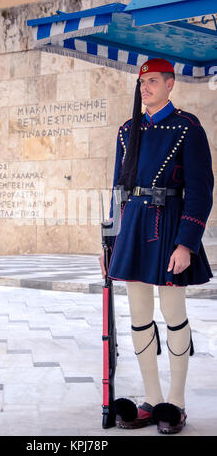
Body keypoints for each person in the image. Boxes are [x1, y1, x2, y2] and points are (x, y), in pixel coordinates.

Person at [99, 58, 214, 434]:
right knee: (138, 314)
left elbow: (200, 192)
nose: (144, 87)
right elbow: (119, 191)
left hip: (169, 227)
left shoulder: (188, 128)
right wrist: (110, 245)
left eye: (152, 81)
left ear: (170, 84)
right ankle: (152, 399)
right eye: (142, 82)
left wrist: (187, 243)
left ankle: (176, 403)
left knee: (173, 312)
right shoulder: (126, 131)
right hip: (134, 226)